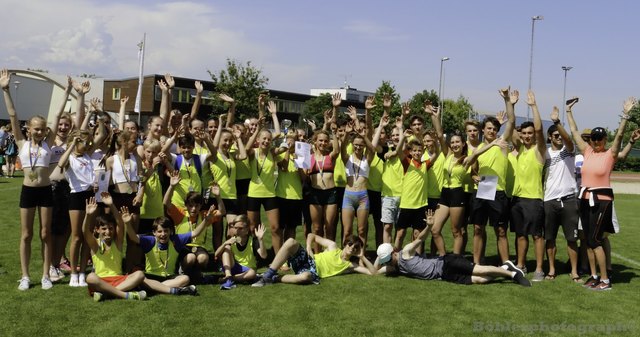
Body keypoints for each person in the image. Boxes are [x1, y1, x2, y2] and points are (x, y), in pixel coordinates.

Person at [566, 96, 636, 290]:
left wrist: (625, 114)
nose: (596, 141)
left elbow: (620, 136)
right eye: (594, 139)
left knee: (596, 240)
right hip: (585, 199)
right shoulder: (587, 151)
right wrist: (569, 111)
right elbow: (573, 132)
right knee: (588, 241)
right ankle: (594, 275)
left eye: (600, 138)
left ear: (605, 140)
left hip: (601, 202)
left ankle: (605, 280)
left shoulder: (609, 154)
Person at [374, 210, 531, 287]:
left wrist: (429, 226)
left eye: (389, 259)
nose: (389, 263)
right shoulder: (394, 267)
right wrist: (369, 256)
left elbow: (420, 238)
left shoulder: (406, 252)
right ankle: (503, 269)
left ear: (394, 252)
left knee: (480, 270)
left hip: (446, 262)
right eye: (386, 261)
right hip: (444, 275)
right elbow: (374, 272)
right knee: (480, 280)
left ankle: (512, 274)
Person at [2, 68, 56, 290]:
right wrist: (5, 89)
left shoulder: (48, 144)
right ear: (28, 129)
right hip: (28, 191)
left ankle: (45, 275)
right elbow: (13, 115)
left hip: (45, 191)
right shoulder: (22, 143)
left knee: (45, 233)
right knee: (26, 235)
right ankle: (25, 276)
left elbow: (58, 112)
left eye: (42, 129)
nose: (39, 132)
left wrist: (72, 91)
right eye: (35, 129)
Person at [466, 87, 517, 265]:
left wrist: (506, 99)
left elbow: (511, 120)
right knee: (478, 229)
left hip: (498, 192)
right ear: (483, 130)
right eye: (488, 128)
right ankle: (477, 264)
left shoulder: (502, 143)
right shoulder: (477, 149)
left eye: (495, 128)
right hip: (481, 192)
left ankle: (506, 264)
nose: (492, 131)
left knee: (501, 230)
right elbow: (473, 171)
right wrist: (474, 177)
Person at [509, 91, 547, 281]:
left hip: (534, 199)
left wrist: (533, 106)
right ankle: (521, 265)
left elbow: (540, 130)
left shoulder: (539, 150)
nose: (527, 136)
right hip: (518, 199)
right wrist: (511, 104)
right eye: (524, 133)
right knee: (520, 235)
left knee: (536, 236)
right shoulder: (520, 148)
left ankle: (539, 269)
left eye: (529, 133)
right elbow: (510, 125)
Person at [164, 171, 225, 282]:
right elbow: (166, 202)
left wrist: (218, 196)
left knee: (203, 258)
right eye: (191, 206)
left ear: (201, 206)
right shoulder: (180, 214)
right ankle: (183, 271)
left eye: (197, 206)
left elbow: (222, 212)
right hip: (182, 246)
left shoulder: (204, 215)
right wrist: (172, 186)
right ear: (186, 205)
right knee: (190, 258)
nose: (193, 209)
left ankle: (194, 274)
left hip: (198, 247)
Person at [84, 194, 147, 301]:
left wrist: (111, 205)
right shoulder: (95, 244)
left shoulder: (117, 242)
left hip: (118, 279)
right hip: (101, 281)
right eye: (104, 229)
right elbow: (85, 231)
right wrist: (88, 215)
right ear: (97, 230)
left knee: (140, 274)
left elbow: (120, 225)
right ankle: (125, 295)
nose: (108, 232)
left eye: (110, 228)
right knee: (90, 277)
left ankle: (107, 294)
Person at [251, 233, 377, 287]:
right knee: (291, 242)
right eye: (351, 245)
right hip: (308, 259)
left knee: (305, 277)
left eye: (356, 248)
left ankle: (272, 278)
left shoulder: (350, 265)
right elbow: (312, 235)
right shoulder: (333, 246)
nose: (353, 248)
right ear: (346, 244)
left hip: (312, 271)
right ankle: (268, 274)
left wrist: (362, 256)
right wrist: (308, 247)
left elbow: (372, 272)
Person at [543, 106, 580, 282]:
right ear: (550, 138)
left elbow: (568, 139)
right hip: (549, 200)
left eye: (560, 135)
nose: (559, 137)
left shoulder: (569, 150)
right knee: (549, 238)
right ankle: (551, 269)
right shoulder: (545, 154)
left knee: (572, 239)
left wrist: (557, 122)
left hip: (569, 200)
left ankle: (574, 271)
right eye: (555, 135)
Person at [125, 215, 204, 296]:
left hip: (169, 277)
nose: (163, 234)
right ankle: (173, 290)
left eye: (166, 231)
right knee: (140, 278)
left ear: (170, 231)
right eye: (159, 231)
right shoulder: (150, 241)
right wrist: (127, 223)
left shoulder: (176, 240)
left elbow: (195, 233)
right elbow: (133, 237)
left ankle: (154, 288)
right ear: (154, 232)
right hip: (152, 275)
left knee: (185, 279)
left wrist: (206, 220)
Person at [57, 130, 97, 287]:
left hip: (89, 197)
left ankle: (82, 273)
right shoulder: (70, 158)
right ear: (76, 142)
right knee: (77, 237)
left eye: (88, 143)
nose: (87, 145)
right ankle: (74, 272)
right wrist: (72, 144)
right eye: (84, 142)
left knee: (88, 235)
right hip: (76, 197)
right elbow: (60, 164)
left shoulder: (87, 156)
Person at [428, 102, 469, 256]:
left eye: (458, 142)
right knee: (435, 229)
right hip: (444, 194)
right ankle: (444, 256)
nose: (454, 144)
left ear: (463, 144)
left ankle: (456, 259)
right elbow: (439, 134)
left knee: (456, 230)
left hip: (458, 194)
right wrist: (435, 117)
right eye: (452, 142)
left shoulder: (466, 159)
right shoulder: (448, 155)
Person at [340, 106, 379, 247]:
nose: (358, 147)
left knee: (362, 230)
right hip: (348, 196)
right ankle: (347, 257)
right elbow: (342, 148)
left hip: (363, 197)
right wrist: (346, 134)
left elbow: (373, 150)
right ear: (352, 144)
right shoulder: (347, 158)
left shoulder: (367, 159)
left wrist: (363, 137)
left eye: (360, 145)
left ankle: (361, 258)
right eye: (355, 145)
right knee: (347, 231)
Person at [216, 216, 267, 290]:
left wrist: (261, 240)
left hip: (247, 271)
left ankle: (229, 279)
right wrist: (224, 244)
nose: (237, 231)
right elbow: (216, 255)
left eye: (240, 228)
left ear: (247, 229)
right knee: (227, 248)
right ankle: (228, 276)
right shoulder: (232, 240)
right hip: (233, 268)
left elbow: (264, 255)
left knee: (252, 273)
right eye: (235, 228)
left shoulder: (253, 241)